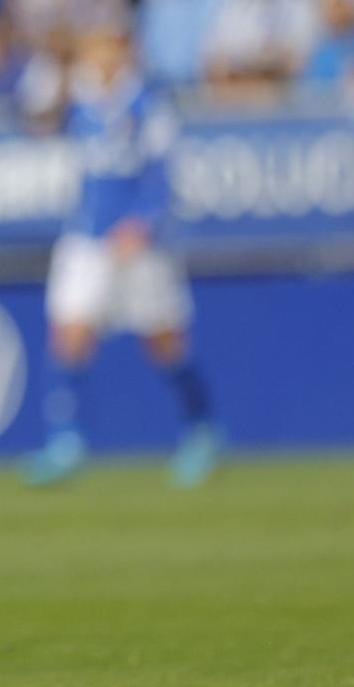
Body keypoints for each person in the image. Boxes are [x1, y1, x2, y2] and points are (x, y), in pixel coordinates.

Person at [21, 24, 222, 488]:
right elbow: (36, 120)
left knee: (164, 340)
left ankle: (202, 429)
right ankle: (65, 440)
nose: (98, 54)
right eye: (93, 45)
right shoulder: (81, 98)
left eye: (106, 44)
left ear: (124, 49)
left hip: (138, 244)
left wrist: (145, 222)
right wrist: (55, 70)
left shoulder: (148, 104)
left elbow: (165, 174)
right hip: (87, 236)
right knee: (68, 331)